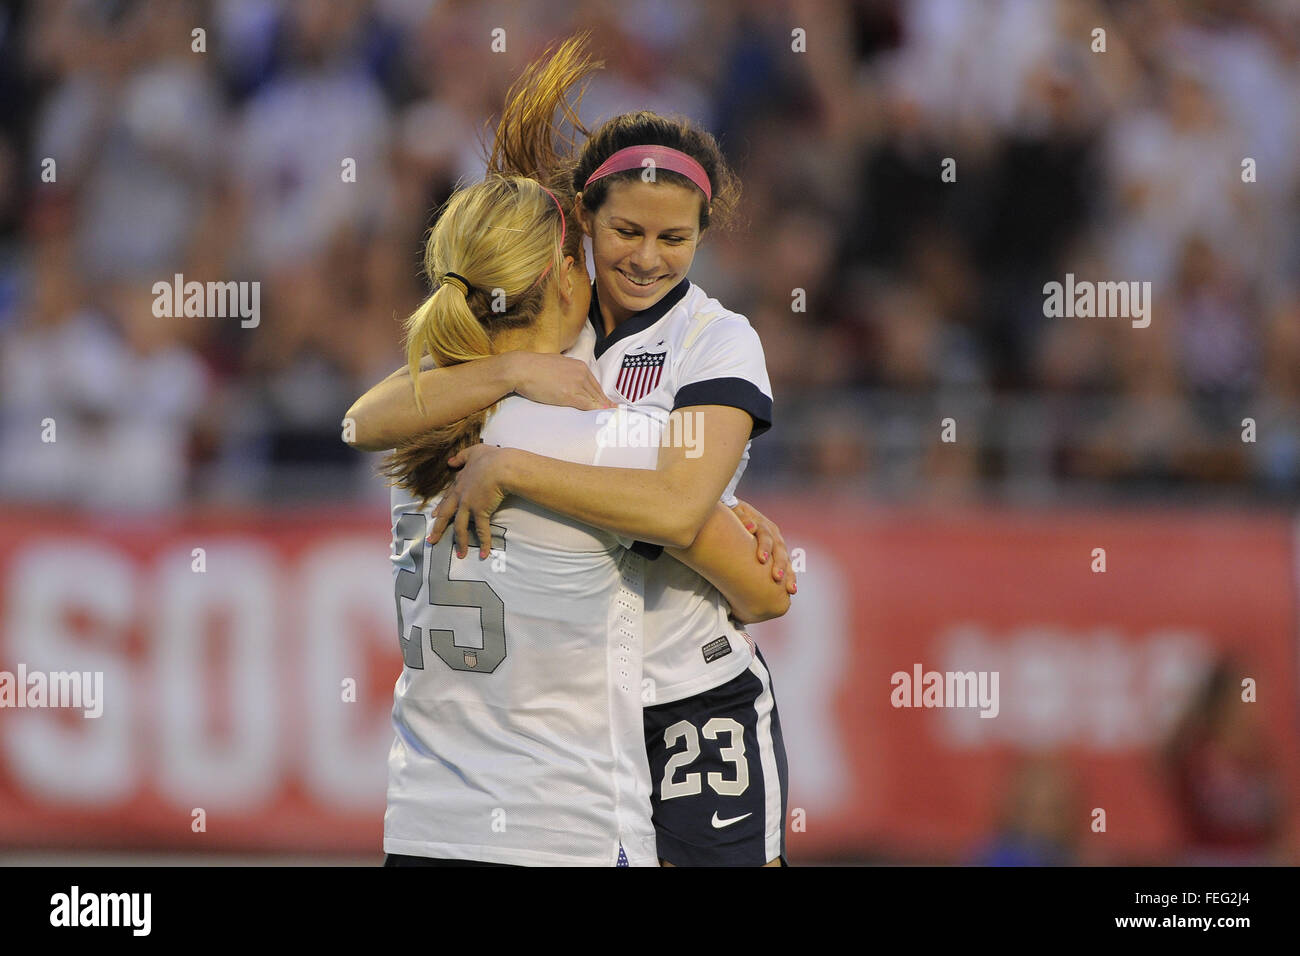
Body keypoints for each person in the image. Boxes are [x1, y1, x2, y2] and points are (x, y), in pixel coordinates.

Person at [351, 35, 794, 866]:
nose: (647, 258)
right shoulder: (554, 346)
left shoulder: (717, 340)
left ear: (705, 234)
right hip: (584, 709)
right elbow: (369, 415)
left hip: (688, 689)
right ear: (583, 220)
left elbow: (676, 503)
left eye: (676, 241)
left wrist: (517, 466)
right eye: (627, 230)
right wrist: (518, 373)